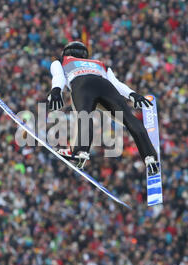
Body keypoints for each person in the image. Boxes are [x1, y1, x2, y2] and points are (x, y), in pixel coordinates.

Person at [47, 41, 160, 175]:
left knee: (84, 115)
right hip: (105, 86)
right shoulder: (99, 63)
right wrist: (132, 94)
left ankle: (80, 150)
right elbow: (116, 83)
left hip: (82, 84)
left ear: (66, 52)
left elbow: (59, 77)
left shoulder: (60, 61)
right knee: (128, 118)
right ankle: (150, 156)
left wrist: (56, 90)